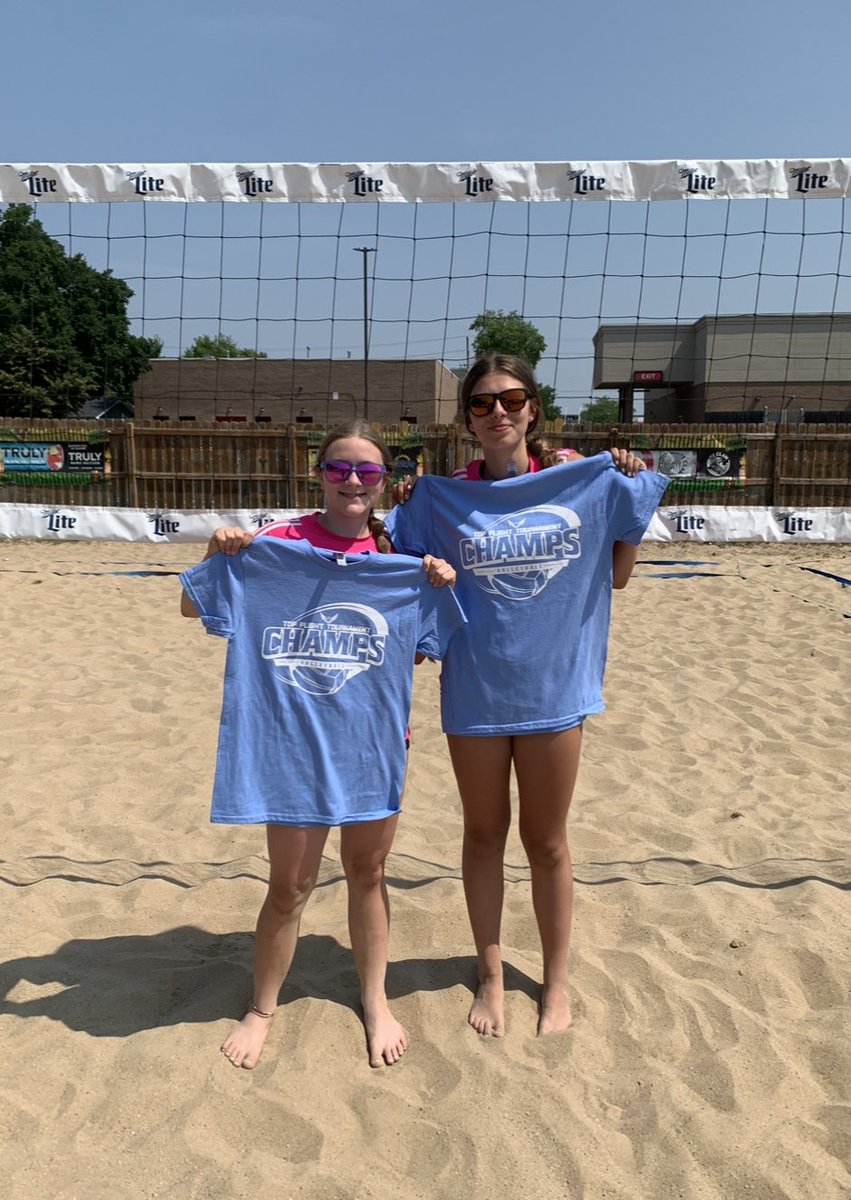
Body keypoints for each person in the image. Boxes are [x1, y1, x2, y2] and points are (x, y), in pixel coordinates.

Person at [386, 354, 668, 1039]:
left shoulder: (583, 480)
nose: (497, 413)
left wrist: (622, 474)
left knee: (546, 843)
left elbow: (619, 574)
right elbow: (397, 571)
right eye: (481, 404)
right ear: (467, 420)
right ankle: (489, 975)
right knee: (483, 836)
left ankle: (556, 981)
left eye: (510, 400)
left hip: (554, 689)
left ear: (533, 408)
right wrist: (400, 505)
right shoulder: (442, 496)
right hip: (475, 693)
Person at [180, 420, 464, 1069]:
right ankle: (260, 1009)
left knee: (368, 873)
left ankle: (375, 1001)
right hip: (291, 749)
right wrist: (216, 552)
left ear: (384, 481)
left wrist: (438, 585)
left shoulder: (401, 568)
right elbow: (194, 609)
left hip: (370, 746)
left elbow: (436, 647)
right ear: (318, 474)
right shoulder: (275, 546)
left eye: (366, 472)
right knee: (290, 885)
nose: (353, 482)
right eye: (339, 470)